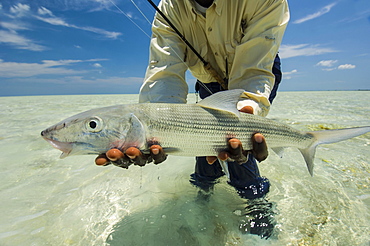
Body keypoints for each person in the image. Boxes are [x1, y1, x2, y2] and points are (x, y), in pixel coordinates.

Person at [95, 0, 289, 239]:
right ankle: (204, 192)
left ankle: (256, 202)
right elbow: (164, 73)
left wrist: (245, 114)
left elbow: (254, 69)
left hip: (257, 71)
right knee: (199, 135)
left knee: (237, 144)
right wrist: (154, 131)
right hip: (208, 79)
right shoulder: (170, 8)